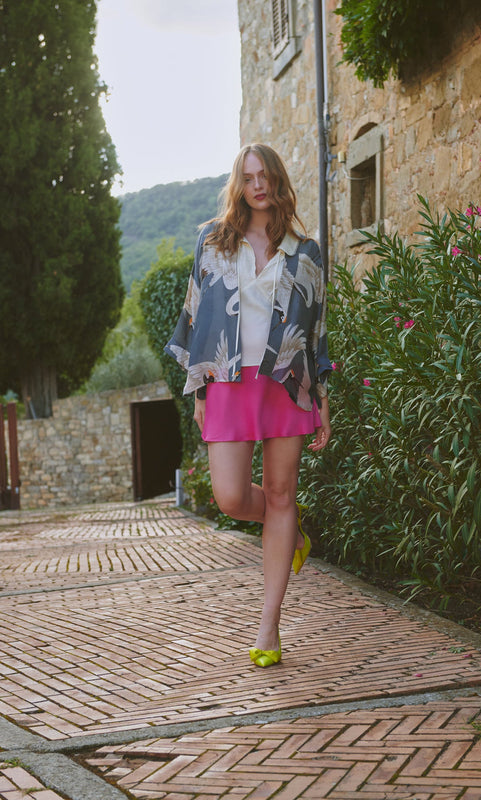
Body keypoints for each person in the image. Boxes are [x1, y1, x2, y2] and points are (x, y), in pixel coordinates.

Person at [165, 143, 332, 667]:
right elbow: (196, 317)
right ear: (238, 184)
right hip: (228, 382)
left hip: (284, 384)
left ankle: (269, 627)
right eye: (248, 176)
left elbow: (317, 330)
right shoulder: (212, 242)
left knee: (282, 494)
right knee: (231, 497)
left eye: (265, 176)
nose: (257, 185)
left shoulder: (306, 250)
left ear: (278, 181)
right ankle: (289, 528)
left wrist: (322, 397)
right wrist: (198, 390)